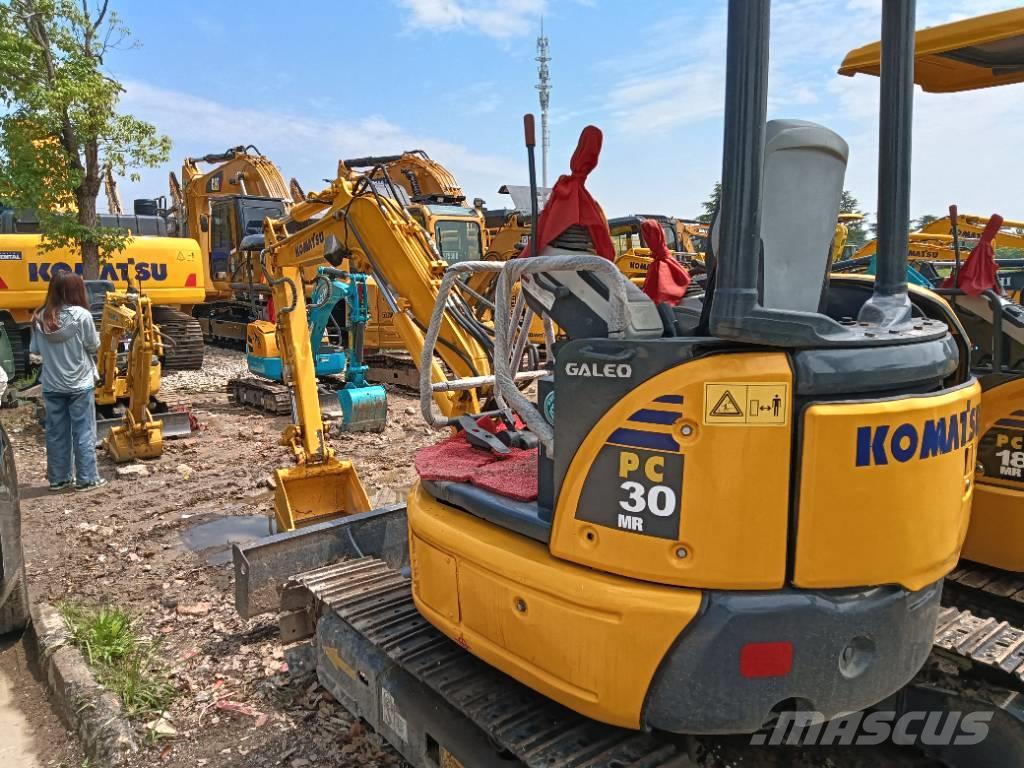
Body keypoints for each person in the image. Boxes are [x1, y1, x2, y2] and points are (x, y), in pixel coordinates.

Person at [30, 271, 106, 492]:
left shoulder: (41, 317)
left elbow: (35, 350)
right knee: (83, 431)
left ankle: (59, 479)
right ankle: (87, 479)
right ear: (76, 290)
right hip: (79, 384)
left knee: (56, 433)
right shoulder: (82, 316)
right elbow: (93, 346)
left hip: (52, 385)